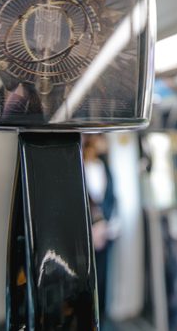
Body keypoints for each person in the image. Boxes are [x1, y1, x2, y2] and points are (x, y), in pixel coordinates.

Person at [83, 134, 118, 319]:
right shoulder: (79, 168)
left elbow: (112, 197)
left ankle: (102, 316)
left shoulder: (106, 168)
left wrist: (105, 225)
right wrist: (93, 226)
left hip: (105, 232)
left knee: (104, 277)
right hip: (85, 232)